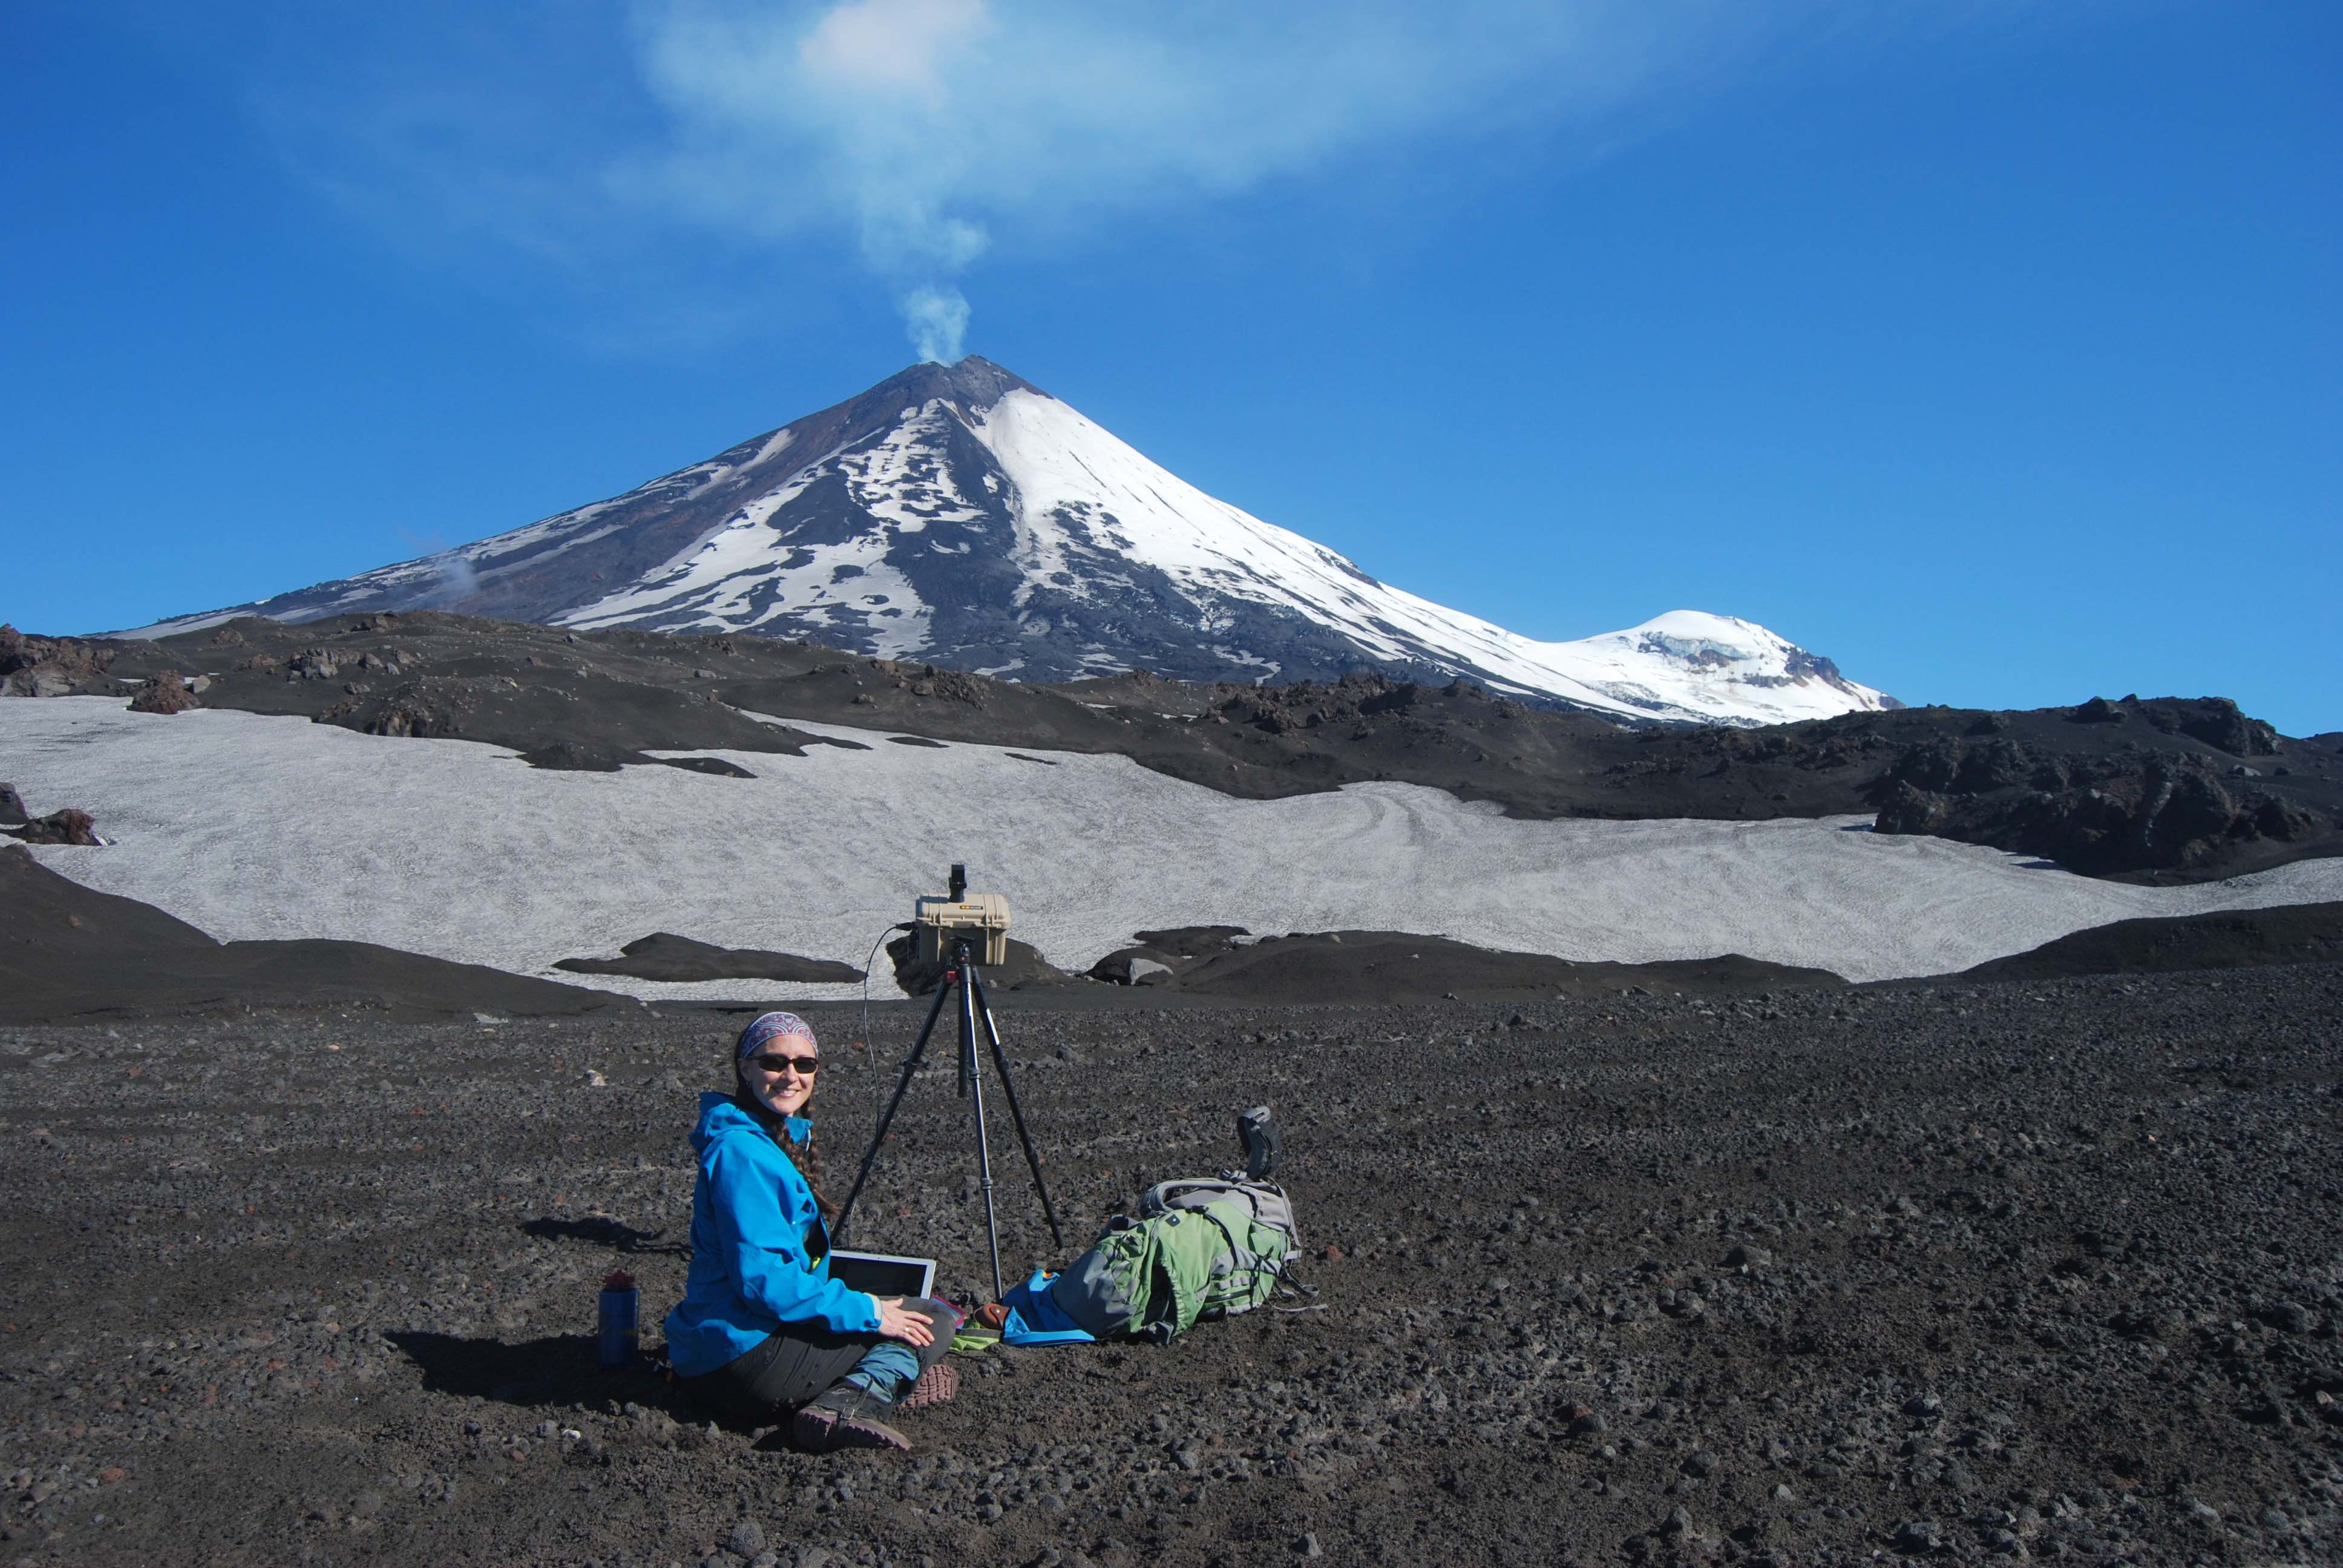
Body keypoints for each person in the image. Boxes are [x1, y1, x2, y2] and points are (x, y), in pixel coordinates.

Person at [665, 1011, 962, 1452]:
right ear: (744, 1069)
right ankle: (850, 1405)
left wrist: (867, 1307)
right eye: (774, 1062)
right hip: (744, 1360)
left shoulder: (757, 1141)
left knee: (907, 1315)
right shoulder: (745, 1154)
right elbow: (766, 1284)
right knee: (933, 1320)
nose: (791, 1076)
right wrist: (872, 1313)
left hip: (716, 1351)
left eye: (805, 1065)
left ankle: (864, 1379)